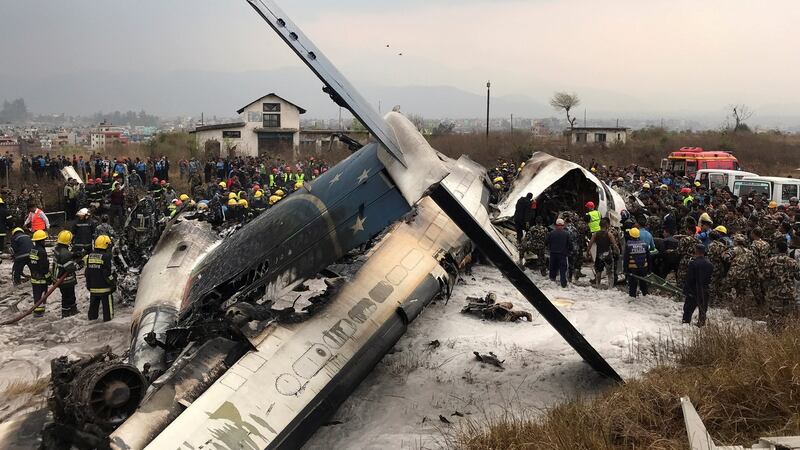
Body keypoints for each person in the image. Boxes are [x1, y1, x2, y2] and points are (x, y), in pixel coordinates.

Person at [85, 235, 116, 322]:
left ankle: (92, 320)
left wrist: (89, 285)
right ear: (106, 245)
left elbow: (88, 272)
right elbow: (107, 274)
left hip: (93, 288)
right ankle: (107, 322)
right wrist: (113, 283)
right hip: (105, 289)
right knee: (108, 314)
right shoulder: (106, 257)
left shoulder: (90, 256)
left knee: (93, 310)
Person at [683, 244, 713, 325]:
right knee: (703, 309)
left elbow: (689, 278)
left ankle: (686, 322)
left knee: (688, 309)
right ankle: (701, 323)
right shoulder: (709, 264)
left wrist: (686, 290)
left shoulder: (693, 263)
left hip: (694, 289)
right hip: (704, 289)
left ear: (696, 251)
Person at [52, 230, 80, 318]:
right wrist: (79, 265)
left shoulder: (58, 249)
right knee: (68, 296)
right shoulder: (65, 253)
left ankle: (71, 310)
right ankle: (67, 312)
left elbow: (64, 257)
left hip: (58, 277)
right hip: (65, 280)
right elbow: (70, 268)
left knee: (67, 296)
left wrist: (73, 254)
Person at [587, 218, 619, 289]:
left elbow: (590, 244)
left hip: (599, 255)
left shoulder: (595, 234)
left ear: (599, 225)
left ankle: (598, 285)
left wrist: (587, 252)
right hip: (608, 255)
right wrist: (618, 251)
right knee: (610, 272)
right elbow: (614, 245)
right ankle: (610, 287)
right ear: (607, 225)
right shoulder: (609, 234)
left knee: (598, 272)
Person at [623, 227, 651, 298]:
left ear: (631, 236)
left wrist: (625, 269)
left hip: (633, 269)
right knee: (643, 284)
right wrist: (649, 269)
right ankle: (645, 295)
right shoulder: (644, 244)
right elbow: (648, 257)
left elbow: (626, 258)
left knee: (633, 285)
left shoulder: (628, 245)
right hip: (643, 268)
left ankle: (632, 298)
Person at [29, 230, 50, 318]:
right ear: (41, 241)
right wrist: (48, 277)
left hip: (34, 277)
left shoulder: (32, 250)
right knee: (42, 296)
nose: (44, 241)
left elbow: (31, 263)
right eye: (44, 240)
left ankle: (37, 311)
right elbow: (44, 267)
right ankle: (39, 313)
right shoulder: (41, 251)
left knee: (36, 295)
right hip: (41, 279)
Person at [546, 218, 572, 288]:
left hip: (553, 253)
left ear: (556, 225)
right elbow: (570, 244)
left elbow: (546, 242)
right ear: (563, 225)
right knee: (563, 270)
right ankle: (563, 284)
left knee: (553, 268)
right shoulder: (567, 234)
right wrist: (569, 251)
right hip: (562, 254)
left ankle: (552, 283)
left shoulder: (551, 233)